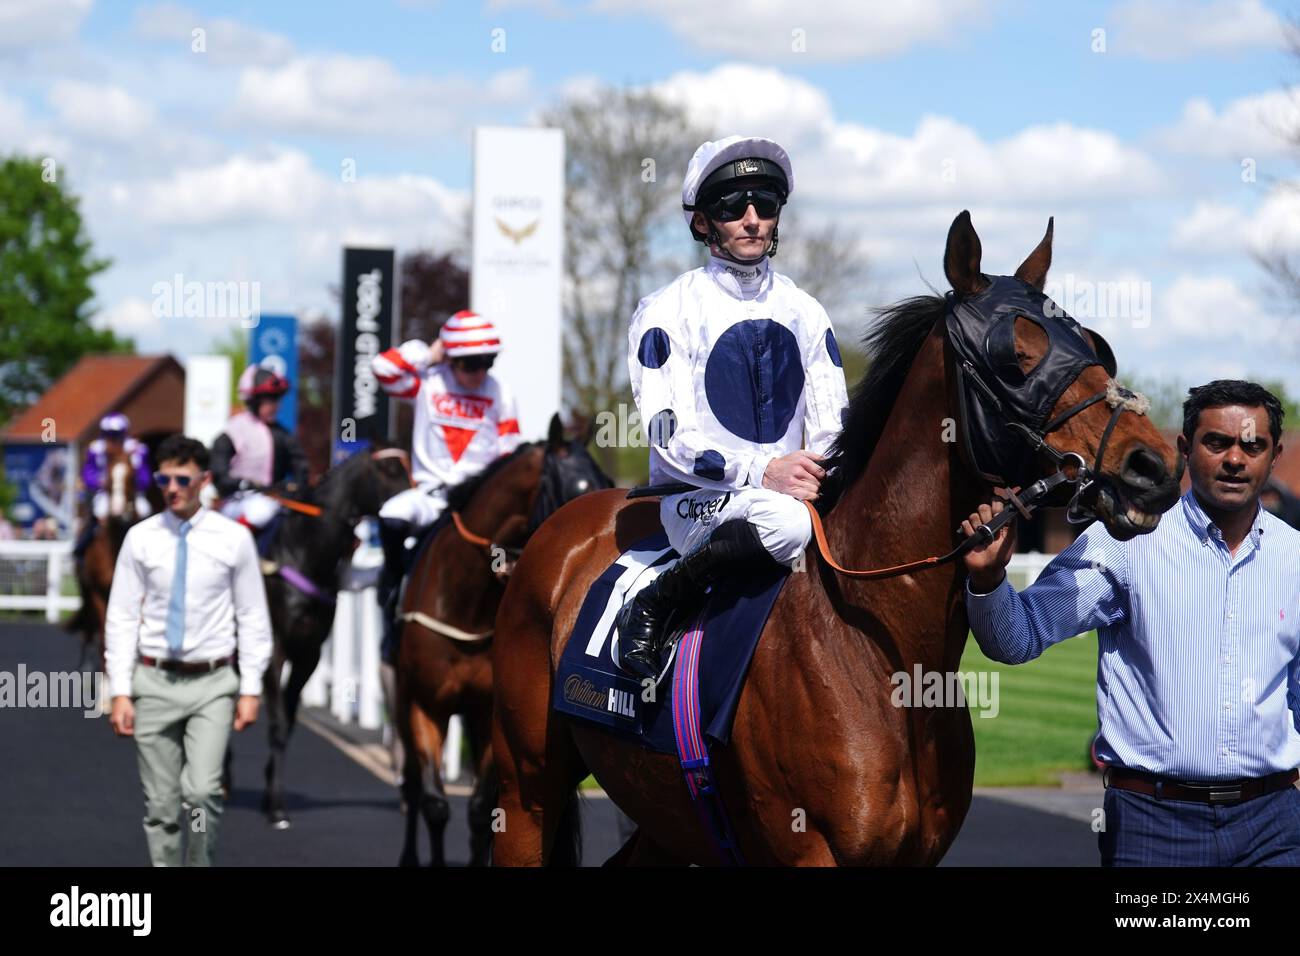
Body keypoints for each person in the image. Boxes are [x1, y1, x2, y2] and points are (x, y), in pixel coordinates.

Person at [961, 380, 1300, 866]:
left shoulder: (1295, 558)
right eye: (1216, 442)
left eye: (1252, 445)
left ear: (1273, 455)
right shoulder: (1125, 543)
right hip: (1154, 824)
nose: (1234, 459)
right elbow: (1018, 637)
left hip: (1275, 826)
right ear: (1184, 449)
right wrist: (990, 579)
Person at [616, 134, 850, 682]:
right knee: (787, 522)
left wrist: (825, 473)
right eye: (732, 207)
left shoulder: (807, 311)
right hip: (700, 502)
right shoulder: (666, 310)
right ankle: (655, 600)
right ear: (703, 223)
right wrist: (763, 472)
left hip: (796, 495)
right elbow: (666, 434)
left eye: (764, 204)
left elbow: (833, 421)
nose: (751, 219)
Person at [105, 434, 273, 866]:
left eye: (182, 478)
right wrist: (119, 690)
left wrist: (251, 688)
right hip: (154, 680)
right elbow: (122, 617)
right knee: (161, 806)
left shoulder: (233, 540)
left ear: (204, 480)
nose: (172, 487)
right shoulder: (140, 539)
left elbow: (252, 615)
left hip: (212, 683)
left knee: (199, 794)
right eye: (165, 478)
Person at [370, 309, 522, 662]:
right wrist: (429, 354)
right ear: (450, 358)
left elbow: (509, 450)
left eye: (487, 362)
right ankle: (395, 591)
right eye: (470, 364)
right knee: (391, 514)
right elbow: (383, 368)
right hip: (431, 497)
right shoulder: (428, 381)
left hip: (478, 502)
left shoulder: (501, 391)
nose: (479, 372)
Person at [209, 364, 310, 549]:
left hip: (275, 500)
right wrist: (242, 483)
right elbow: (218, 472)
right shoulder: (232, 432)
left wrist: (294, 488)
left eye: (277, 399)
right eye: (269, 399)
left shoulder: (284, 436)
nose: (276, 405)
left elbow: (301, 469)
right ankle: (234, 551)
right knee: (261, 511)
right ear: (253, 400)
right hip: (235, 501)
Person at [74, 413, 153, 559]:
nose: (113, 439)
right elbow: (88, 474)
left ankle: (150, 551)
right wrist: (99, 482)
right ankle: (80, 551)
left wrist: (131, 484)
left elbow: (145, 477)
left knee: (144, 511)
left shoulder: (137, 450)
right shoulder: (96, 450)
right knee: (97, 513)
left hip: (131, 493)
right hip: (104, 492)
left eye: (116, 435)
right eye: (109, 435)